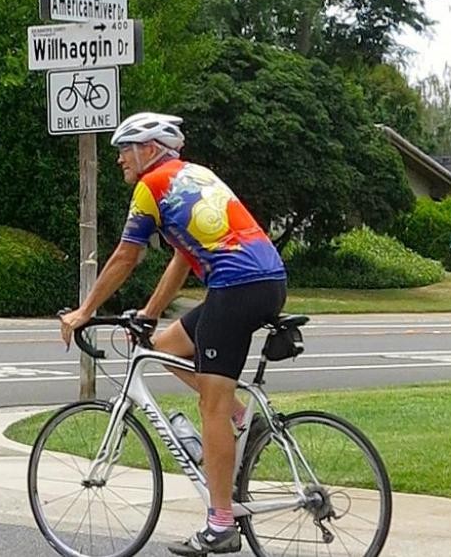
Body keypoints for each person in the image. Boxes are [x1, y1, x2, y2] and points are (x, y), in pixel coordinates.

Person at [59, 111, 287, 556]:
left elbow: (127, 256)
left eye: (125, 150)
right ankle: (243, 419)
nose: (120, 159)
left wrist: (85, 311)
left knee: (210, 406)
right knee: (162, 347)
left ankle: (221, 524)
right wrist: (149, 313)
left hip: (236, 288)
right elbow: (183, 257)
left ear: (149, 150)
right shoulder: (193, 176)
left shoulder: (151, 187)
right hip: (262, 281)